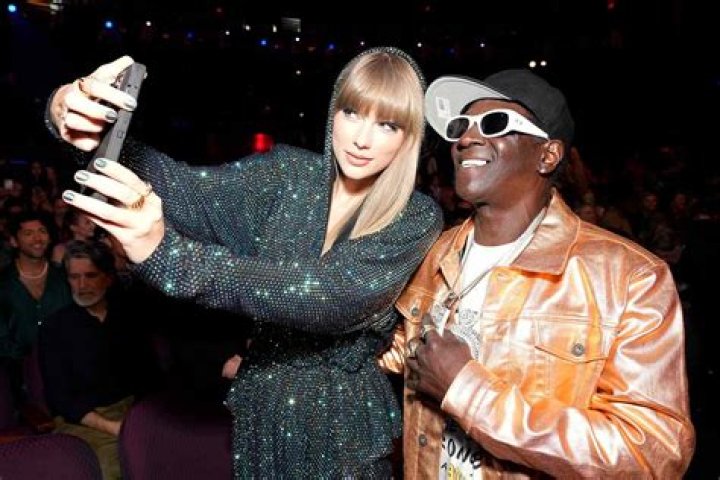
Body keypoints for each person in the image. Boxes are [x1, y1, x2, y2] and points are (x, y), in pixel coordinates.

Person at [46, 47, 443, 477]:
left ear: (409, 137)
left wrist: (169, 256)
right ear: (334, 111)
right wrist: (85, 128)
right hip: (260, 414)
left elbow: (326, 295)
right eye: (352, 113)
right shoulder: (287, 175)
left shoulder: (415, 216)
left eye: (387, 125)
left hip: (342, 430)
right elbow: (188, 193)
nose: (362, 138)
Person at [379, 69, 695, 478]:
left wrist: (468, 392)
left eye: (495, 123)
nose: (466, 139)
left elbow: (653, 453)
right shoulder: (434, 252)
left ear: (547, 155)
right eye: (460, 126)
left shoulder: (629, 278)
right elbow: (396, 355)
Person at [39, 239, 158, 480]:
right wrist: (115, 427)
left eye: (90, 275)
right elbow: (61, 399)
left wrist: (144, 419)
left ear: (108, 278)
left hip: (134, 411)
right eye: (74, 277)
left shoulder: (127, 317)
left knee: (171, 454)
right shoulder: (55, 327)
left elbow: (150, 376)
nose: (82, 285)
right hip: (85, 420)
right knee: (113, 466)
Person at [0, 211, 71, 403]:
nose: (37, 238)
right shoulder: (4, 284)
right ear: (14, 241)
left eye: (42, 231)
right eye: (28, 233)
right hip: (18, 382)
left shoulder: (65, 277)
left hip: (68, 373)